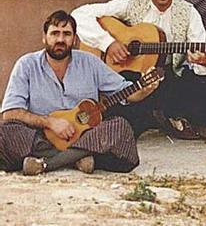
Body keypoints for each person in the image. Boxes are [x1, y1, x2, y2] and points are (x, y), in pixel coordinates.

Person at [73, 0, 206, 139]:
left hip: (168, 81)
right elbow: (79, 15)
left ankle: (155, 116)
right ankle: (152, 118)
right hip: (132, 82)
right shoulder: (132, 4)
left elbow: (199, 60)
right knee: (122, 91)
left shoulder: (189, 13)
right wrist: (108, 44)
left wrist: (205, 60)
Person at [0, 11, 143, 175]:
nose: (60, 40)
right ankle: (77, 158)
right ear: (44, 37)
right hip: (40, 138)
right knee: (5, 131)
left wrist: (144, 90)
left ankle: (46, 163)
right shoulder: (26, 64)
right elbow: (10, 113)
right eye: (55, 33)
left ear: (75, 40)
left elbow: (126, 92)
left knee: (119, 126)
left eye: (66, 34)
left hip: (85, 138)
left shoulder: (89, 62)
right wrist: (50, 122)